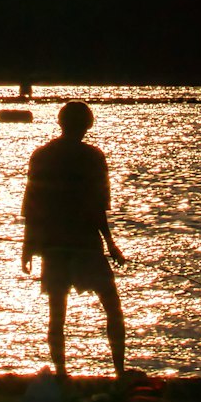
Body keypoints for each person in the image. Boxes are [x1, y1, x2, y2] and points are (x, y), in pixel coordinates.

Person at [21, 101, 127, 379]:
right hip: (85, 245)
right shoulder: (94, 158)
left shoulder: (41, 156)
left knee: (57, 312)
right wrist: (110, 244)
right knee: (112, 306)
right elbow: (98, 208)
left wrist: (27, 246)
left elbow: (31, 205)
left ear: (61, 123)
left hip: (53, 245)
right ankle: (119, 371)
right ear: (87, 125)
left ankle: (61, 373)